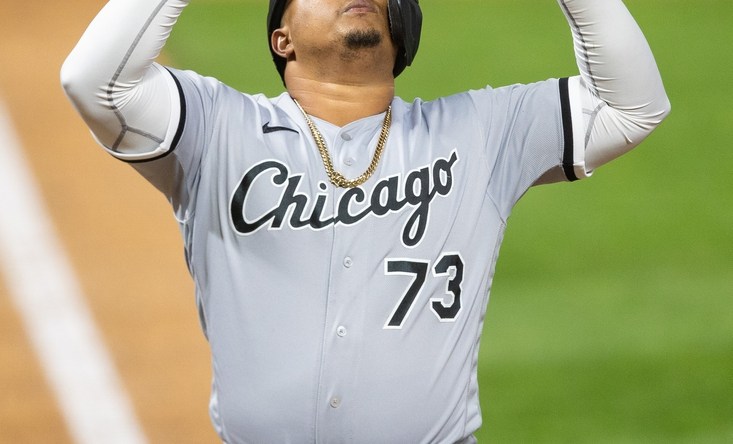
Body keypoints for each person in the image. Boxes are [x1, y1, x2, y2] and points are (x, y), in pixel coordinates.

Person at [61, 0, 670, 442]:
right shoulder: (219, 129)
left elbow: (632, 106)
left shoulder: (479, 133)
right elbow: (94, 80)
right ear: (283, 38)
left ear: (400, 29)